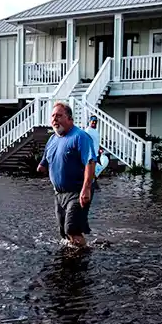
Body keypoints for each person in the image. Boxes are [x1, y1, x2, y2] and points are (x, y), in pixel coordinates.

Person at [37, 102, 97, 248]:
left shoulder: (80, 136)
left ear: (70, 119)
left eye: (59, 115)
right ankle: (73, 256)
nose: (55, 119)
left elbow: (90, 162)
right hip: (59, 194)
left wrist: (86, 189)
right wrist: (41, 167)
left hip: (77, 191)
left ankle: (82, 262)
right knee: (63, 232)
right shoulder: (52, 139)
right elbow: (44, 163)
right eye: (53, 116)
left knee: (72, 229)